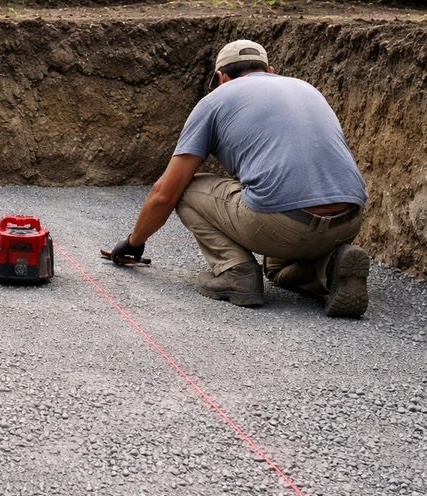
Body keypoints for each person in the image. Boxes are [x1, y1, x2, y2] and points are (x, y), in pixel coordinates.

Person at [101, 40, 371, 318]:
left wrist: (134, 242)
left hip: (282, 225)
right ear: (269, 69)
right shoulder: (307, 89)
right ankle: (330, 267)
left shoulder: (216, 100)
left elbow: (164, 193)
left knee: (186, 187)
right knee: (276, 269)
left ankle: (235, 272)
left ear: (221, 78)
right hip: (348, 220)